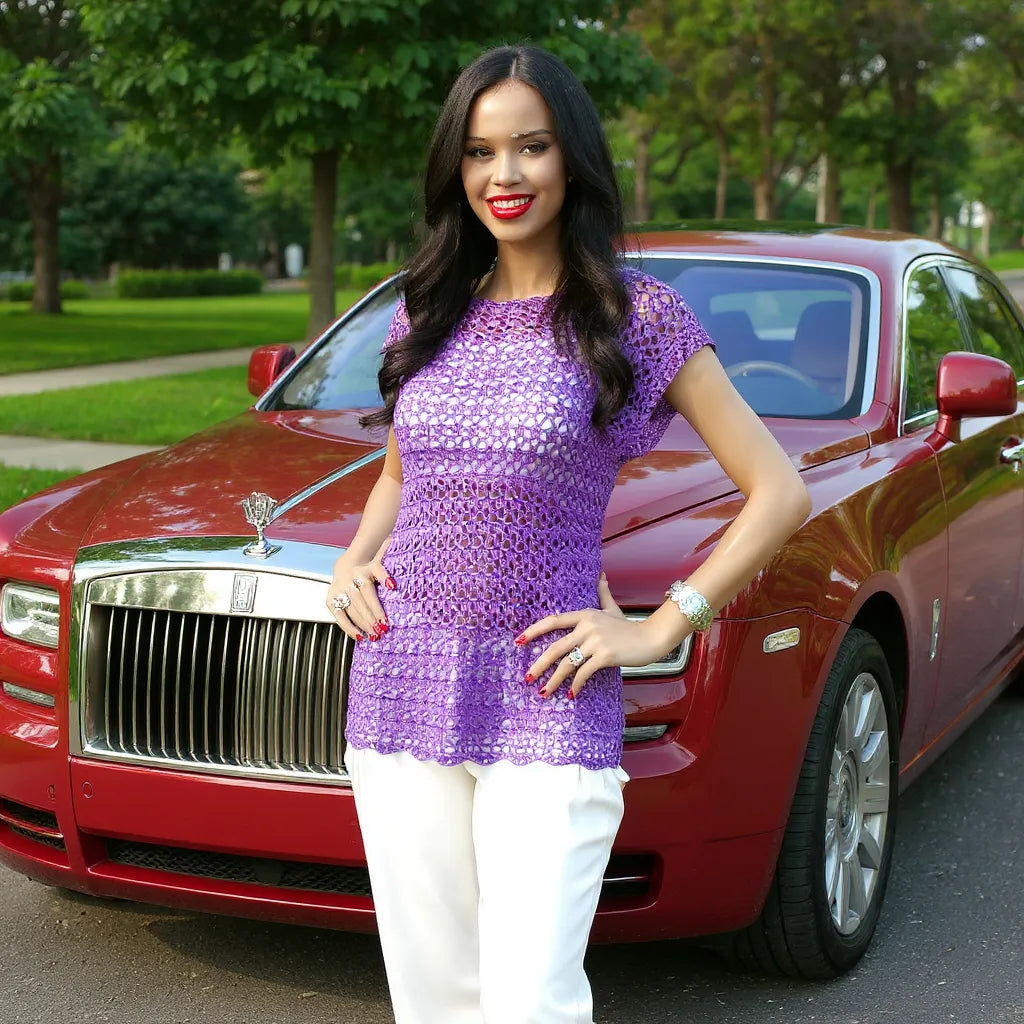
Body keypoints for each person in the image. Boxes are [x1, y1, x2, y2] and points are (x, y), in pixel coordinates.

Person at [325, 43, 811, 1024]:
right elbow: (395, 471)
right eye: (478, 152)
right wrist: (353, 556)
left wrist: (660, 626)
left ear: (572, 159)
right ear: (454, 170)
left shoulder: (637, 316)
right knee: (434, 996)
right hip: (400, 673)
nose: (502, 176)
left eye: (529, 147)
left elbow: (777, 491)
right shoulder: (427, 309)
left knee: (530, 999)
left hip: (550, 685)